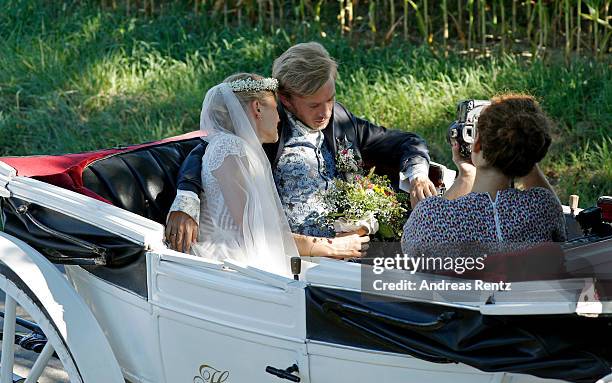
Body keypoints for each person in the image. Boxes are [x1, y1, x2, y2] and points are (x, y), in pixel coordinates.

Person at [166, 42, 436, 256]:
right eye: (314, 105)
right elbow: (210, 146)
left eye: (330, 99)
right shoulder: (267, 124)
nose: (325, 112)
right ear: (286, 99)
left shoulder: (340, 119)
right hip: (296, 251)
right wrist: (186, 200)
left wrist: (418, 175)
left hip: (354, 243)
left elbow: (405, 141)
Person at [402, 94, 566, 257]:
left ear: (477, 144)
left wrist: (465, 177)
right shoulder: (544, 208)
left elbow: (410, 252)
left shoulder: (431, 217)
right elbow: (561, 232)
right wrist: (521, 152)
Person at [190, 73, 300, 275]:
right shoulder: (229, 146)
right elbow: (249, 227)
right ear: (257, 108)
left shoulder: (244, 148)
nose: (279, 118)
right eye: (276, 109)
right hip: (227, 262)